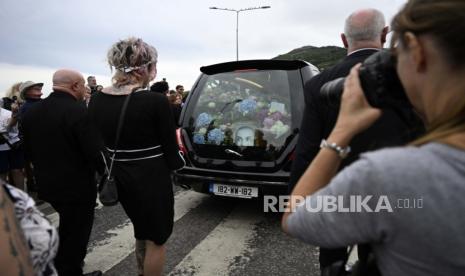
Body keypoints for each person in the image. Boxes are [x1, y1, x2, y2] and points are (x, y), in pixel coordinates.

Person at [283, 0, 465, 275]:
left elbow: (306, 156)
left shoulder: (319, 84)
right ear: (384, 34)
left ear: (416, 51)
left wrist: (341, 133)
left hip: (352, 194)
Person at [88, 37, 185, 276]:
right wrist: (180, 165)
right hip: (151, 177)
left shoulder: (97, 99)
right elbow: (171, 151)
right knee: (158, 239)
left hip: (120, 176)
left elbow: (97, 143)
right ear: (145, 68)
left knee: (142, 229)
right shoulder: (154, 101)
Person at [21, 69, 104, 276]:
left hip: (47, 182)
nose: (85, 88)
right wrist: (106, 173)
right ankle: (69, 270)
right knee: (77, 231)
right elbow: (94, 151)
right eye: (83, 84)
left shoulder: (32, 111)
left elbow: (27, 149)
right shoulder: (78, 111)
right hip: (76, 185)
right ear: (75, 86)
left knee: (67, 226)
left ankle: (58, 261)